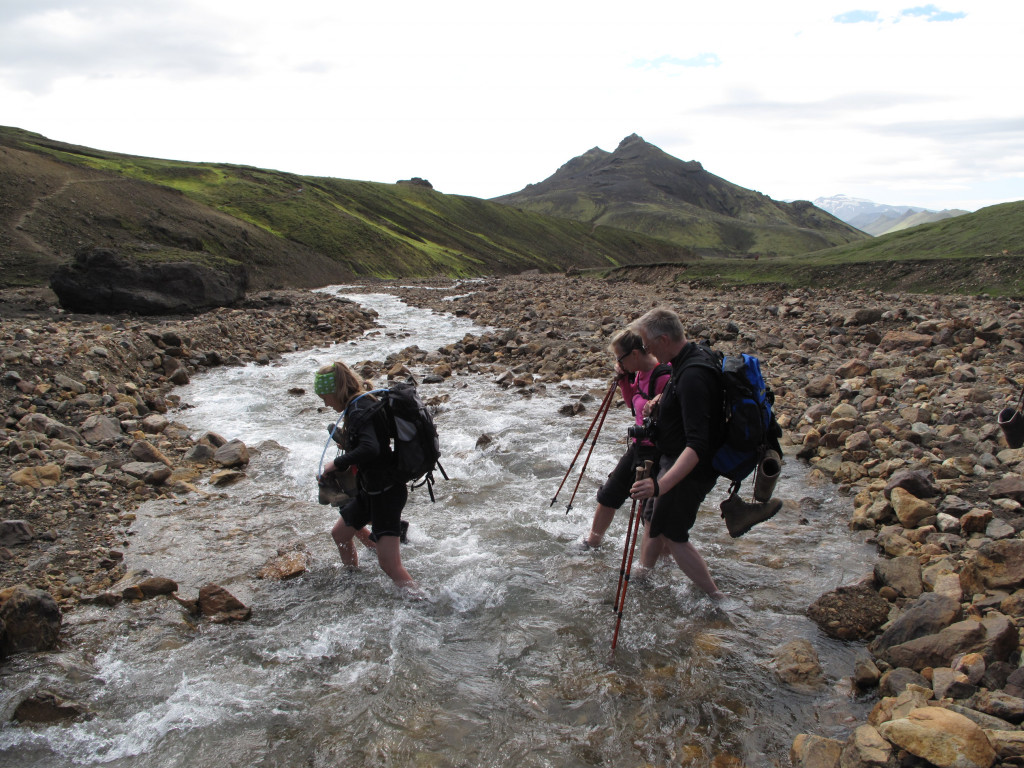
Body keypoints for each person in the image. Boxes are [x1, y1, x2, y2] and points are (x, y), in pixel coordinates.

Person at [627, 307, 777, 599]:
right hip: (676, 461)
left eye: (647, 344)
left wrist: (660, 485)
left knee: (672, 532)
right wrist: (662, 398)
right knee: (653, 518)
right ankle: (645, 573)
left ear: (664, 339)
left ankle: (716, 598)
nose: (646, 351)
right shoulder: (693, 356)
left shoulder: (693, 375)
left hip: (692, 469)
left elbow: (697, 445)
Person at [314, 361, 418, 594]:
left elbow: (371, 448)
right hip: (371, 489)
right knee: (340, 534)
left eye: (325, 397)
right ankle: (353, 582)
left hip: (385, 493)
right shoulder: (360, 404)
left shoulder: (359, 408)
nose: (325, 403)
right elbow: (370, 444)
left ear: (336, 391)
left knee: (389, 565)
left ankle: (424, 603)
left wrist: (336, 463)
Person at [581, 329, 671, 551]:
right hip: (638, 447)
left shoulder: (664, 376)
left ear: (634, 354)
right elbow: (633, 404)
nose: (618, 363)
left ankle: (660, 563)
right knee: (609, 494)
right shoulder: (639, 371)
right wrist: (623, 379)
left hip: (658, 453)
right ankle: (592, 542)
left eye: (620, 359)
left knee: (650, 513)